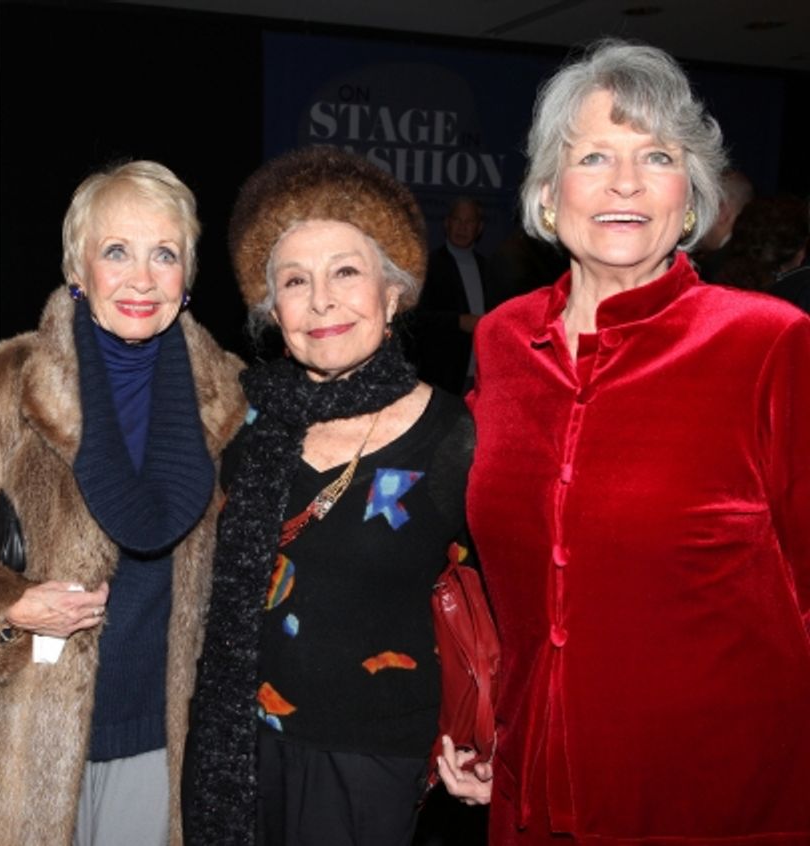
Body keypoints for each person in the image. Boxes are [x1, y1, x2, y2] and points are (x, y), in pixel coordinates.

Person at [442, 39, 810, 844]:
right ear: (548, 194)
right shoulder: (503, 342)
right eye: (594, 156)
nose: (626, 181)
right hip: (534, 789)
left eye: (657, 156)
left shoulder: (769, 343)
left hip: (717, 802)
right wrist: (488, 720)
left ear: (691, 199)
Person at [0, 160, 247, 846]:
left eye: (164, 254)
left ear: (188, 275)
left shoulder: (232, 399)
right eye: (116, 251)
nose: (142, 278)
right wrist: (9, 605)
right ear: (77, 268)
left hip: (164, 742)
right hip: (16, 734)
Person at [183, 146, 475, 845]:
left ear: (392, 293)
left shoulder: (454, 437)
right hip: (239, 747)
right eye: (295, 281)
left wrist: (493, 738)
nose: (321, 301)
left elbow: (512, 605)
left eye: (346, 272)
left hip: (373, 761)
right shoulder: (237, 423)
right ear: (272, 309)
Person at [411, 196, 492, 394]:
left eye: (469, 222)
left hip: (482, 375)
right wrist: (457, 321)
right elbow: (412, 319)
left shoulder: (488, 268)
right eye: (457, 220)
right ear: (447, 223)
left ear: (479, 228)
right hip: (442, 377)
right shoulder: (427, 266)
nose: (462, 227)